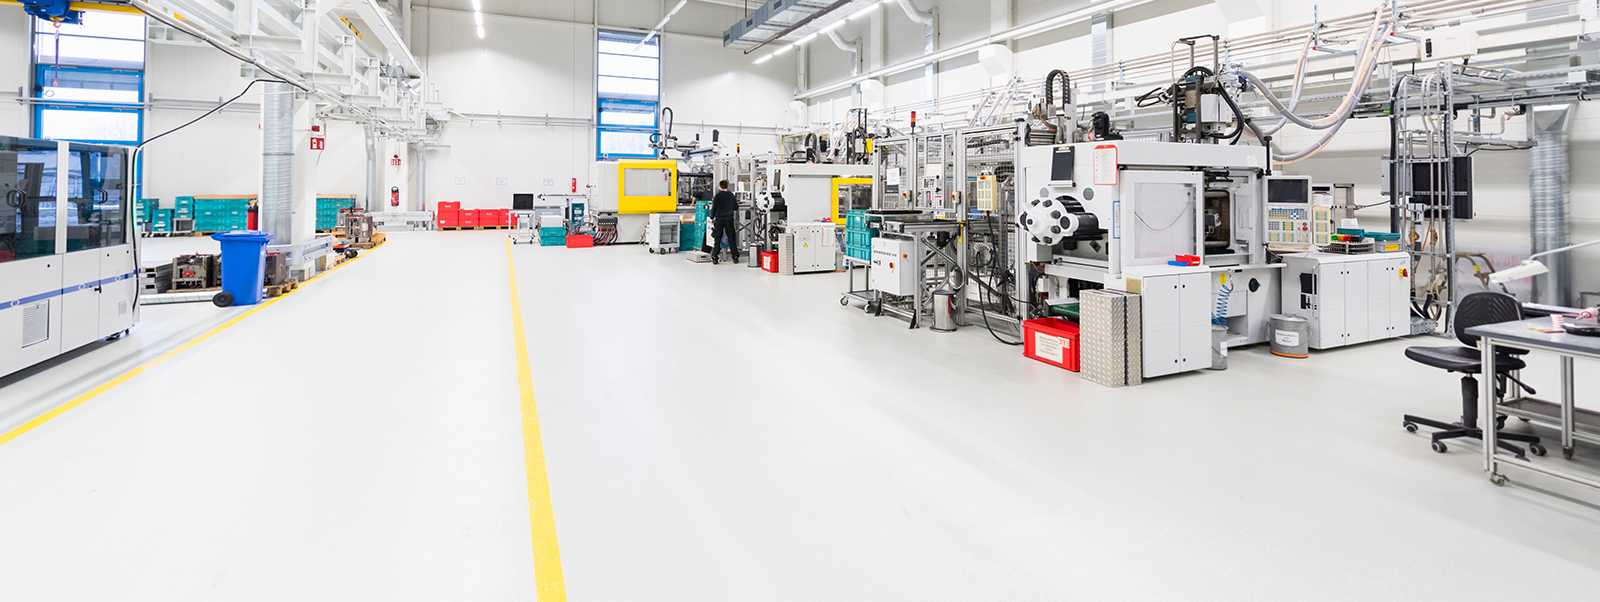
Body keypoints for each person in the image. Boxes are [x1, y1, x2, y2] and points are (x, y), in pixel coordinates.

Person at [709, 179, 740, 264]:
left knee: (717, 238)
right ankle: (735, 256)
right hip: (729, 219)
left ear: (720, 186)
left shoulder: (717, 196)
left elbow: (714, 207)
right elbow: (736, 207)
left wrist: (712, 217)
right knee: (731, 238)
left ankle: (715, 257)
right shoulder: (731, 195)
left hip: (719, 219)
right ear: (727, 186)